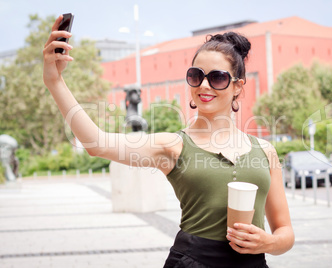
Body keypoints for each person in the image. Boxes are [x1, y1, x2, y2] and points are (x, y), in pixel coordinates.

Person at [43, 15, 294, 268]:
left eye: (217, 78)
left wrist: (268, 243)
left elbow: (285, 231)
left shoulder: (265, 151)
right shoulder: (174, 146)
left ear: (238, 86)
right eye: (196, 76)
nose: (204, 85)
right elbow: (96, 143)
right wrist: (55, 81)